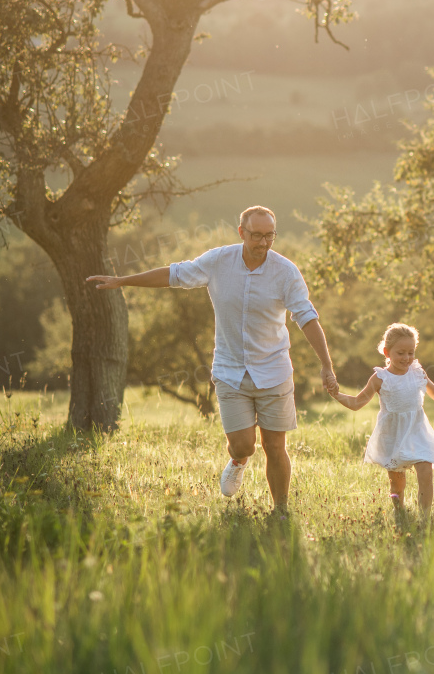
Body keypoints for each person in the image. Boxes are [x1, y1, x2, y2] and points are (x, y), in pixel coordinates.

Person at [86, 206, 338, 516]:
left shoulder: (285, 272)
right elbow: (174, 274)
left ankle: (281, 510)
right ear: (241, 232)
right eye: (256, 235)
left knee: (275, 446)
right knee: (245, 444)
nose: (263, 242)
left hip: (274, 371)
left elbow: (306, 317)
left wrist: (326, 364)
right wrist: (123, 280)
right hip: (231, 371)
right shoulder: (219, 261)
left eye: (269, 235)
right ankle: (238, 461)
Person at [331, 323, 434, 516]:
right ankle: (400, 512)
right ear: (387, 352)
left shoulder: (417, 372)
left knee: (425, 471)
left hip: (418, 429)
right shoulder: (380, 378)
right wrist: (336, 394)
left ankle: (425, 517)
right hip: (393, 434)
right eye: (401, 353)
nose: (407, 358)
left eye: (411, 353)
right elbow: (356, 403)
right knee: (397, 483)